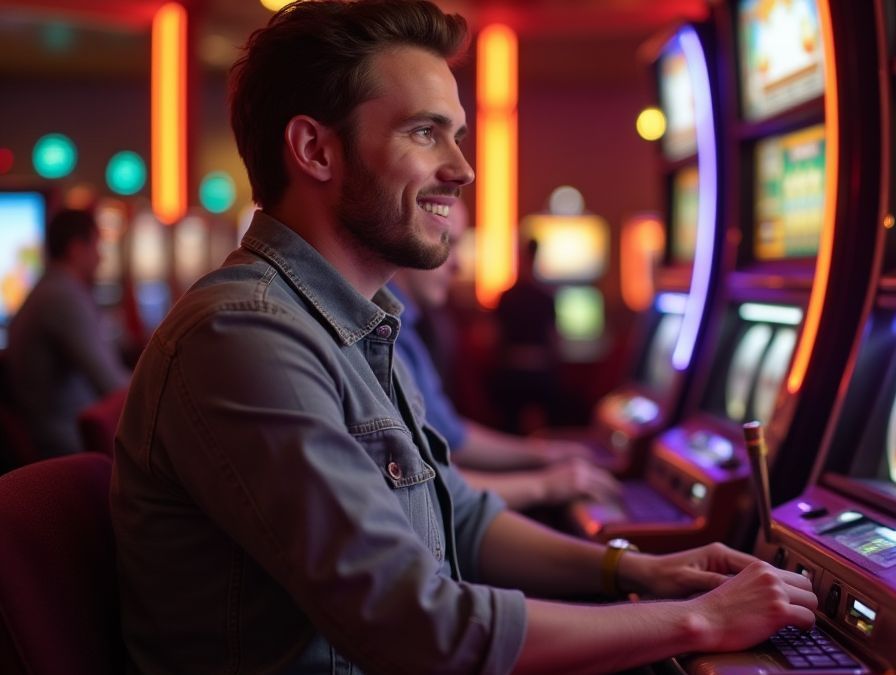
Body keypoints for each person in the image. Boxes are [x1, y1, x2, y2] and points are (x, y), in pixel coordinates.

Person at [110, 2, 817, 673]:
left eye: (458, 134)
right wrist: (699, 621)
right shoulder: (246, 336)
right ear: (314, 150)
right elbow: (421, 628)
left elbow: (461, 517)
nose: (463, 167)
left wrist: (634, 568)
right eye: (424, 132)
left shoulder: (359, 323)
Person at [389, 207, 620, 511]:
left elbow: (450, 435)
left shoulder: (412, 325)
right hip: (538, 377)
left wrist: (541, 455)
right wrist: (544, 480)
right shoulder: (392, 330)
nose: (458, 264)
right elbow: (422, 482)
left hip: (509, 376)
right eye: (448, 243)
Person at [4, 207, 129, 457]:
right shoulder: (62, 297)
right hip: (66, 442)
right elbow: (112, 385)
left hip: (57, 431)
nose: (101, 258)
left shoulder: (50, 289)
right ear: (76, 249)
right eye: (97, 246)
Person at [492, 236, 567, 432]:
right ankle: (548, 450)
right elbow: (555, 340)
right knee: (554, 420)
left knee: (509, 427)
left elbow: (494, 338)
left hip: (511, 373)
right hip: (540, 373)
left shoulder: (506, 297)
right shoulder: (546, 297)